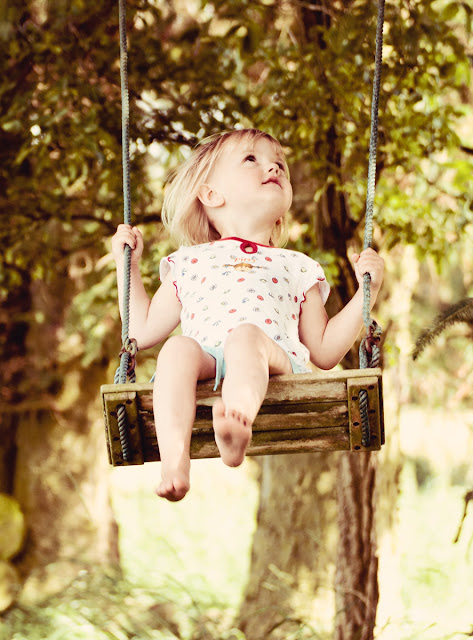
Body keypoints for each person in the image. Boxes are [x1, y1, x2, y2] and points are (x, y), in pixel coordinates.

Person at [111, 128, 384, 502]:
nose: (273, 167)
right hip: (207, 359)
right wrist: (127, 265)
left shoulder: (296, 265)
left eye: (280, 164)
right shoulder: (188, 263)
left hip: (272, 357)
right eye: (251, 159)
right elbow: (140, 331)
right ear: (211, 194)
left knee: (245, 335)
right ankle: (174, 462)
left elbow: (324, 350)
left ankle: (237, 420)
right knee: (176, 349)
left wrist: (368, 293)